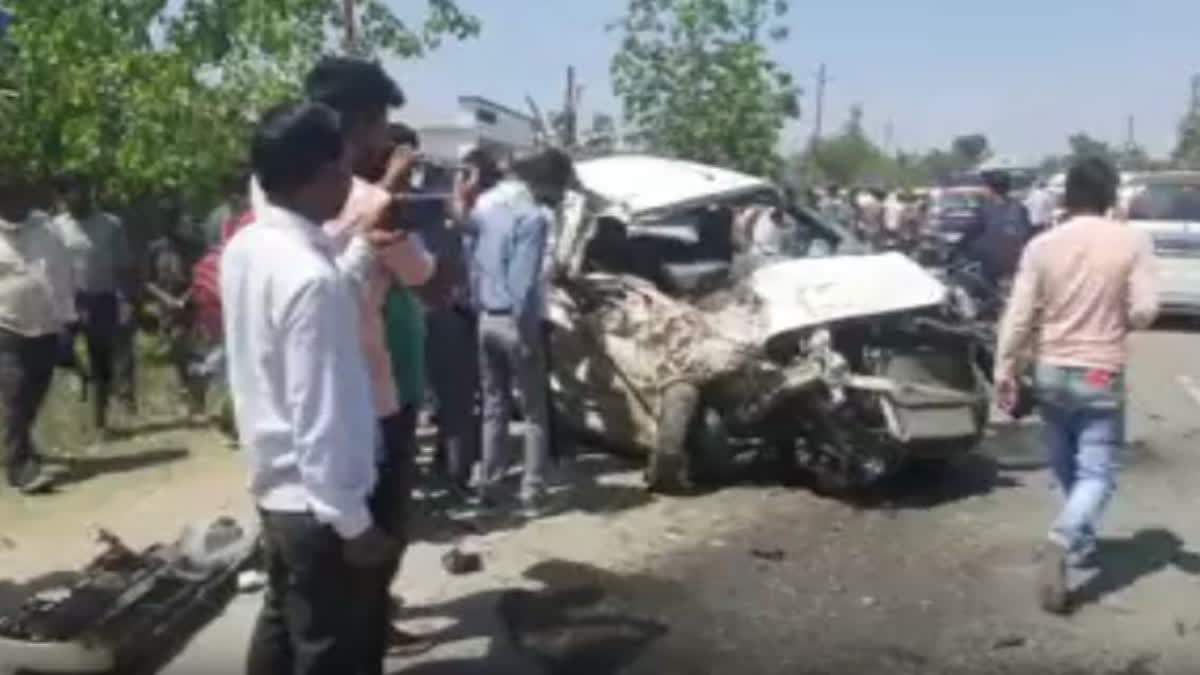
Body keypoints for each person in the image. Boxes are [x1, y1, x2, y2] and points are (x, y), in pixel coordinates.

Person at [224, 99, 401, 675]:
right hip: (319, 507)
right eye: (346, 168)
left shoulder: (249, 247)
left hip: (279, 491)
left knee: (283, 625)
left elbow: (315, 302)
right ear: (326, 174)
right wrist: (353, 522)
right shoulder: (308, 278)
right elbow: (321, 412)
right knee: (330, 651)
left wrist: (357, 254)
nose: (352, 182)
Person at [301, 56, 437, 674]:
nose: (388, 138)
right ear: (361, 122)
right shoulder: (366, 201)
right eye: (384, 122)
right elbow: (430, 283)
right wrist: (395, 196)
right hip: (370, 398)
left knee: (300, 597)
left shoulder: (279, 193)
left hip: (312, 402)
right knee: (367, 553)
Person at [993, 157, 1158, 615]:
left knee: (1065, 464)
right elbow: (1145, 310)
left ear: (1067, 196)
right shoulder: (1132, 242)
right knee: (1098, 474)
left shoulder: (1042, 246)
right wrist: (1116, 315)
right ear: (1109, 196)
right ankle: (1065, 538)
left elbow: (1019, 316)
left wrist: (1004, 369)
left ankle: (1077, 543)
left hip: (1050, 369)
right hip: (1100, 371)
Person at [470, 147, 575, 516]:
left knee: (494, 407)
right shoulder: (533, 217)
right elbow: (524, 283)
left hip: (485, 317)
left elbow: (474, 264)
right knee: (534, 412)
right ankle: (532, 490)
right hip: (516, 321)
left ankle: (490, 484)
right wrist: (526, 330)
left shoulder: (484, 208)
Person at [423, 145, 501, 495]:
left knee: (456, 399)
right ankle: (452, 467)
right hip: (447, 311)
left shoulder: (478, 216)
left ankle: (455, 471)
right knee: (452, 399)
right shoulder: (445, 213)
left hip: (458, 312)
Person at [0, 183, 75, 493]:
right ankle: (20, 470)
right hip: (7, 328)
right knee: (15, 396)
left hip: (45, 326)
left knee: (33, 395)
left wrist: (68, 320)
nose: (18, 201)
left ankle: (23, 451)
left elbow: (62, 274)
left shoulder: (46, 228)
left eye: (22, 194)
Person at [49, 177, 135, 435]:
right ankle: (82, 375)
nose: (81, 198)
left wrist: (127, 300)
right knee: (59, 349)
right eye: (73, 195)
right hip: (68, 299)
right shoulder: (56, 227)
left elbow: (124, 266)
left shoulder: (111, 225)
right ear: (64, 198)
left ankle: (100, 418)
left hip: (102, 298)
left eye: (85, 192)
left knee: (102, 359)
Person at [955, 169, 1034, 288]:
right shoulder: (1020, 208)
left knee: (974, 286)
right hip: (1018, 265)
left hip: (992, 267)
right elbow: (1029, 235)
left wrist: (957, 249)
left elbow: (969, 234)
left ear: (990, 189)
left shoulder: (984, 210)